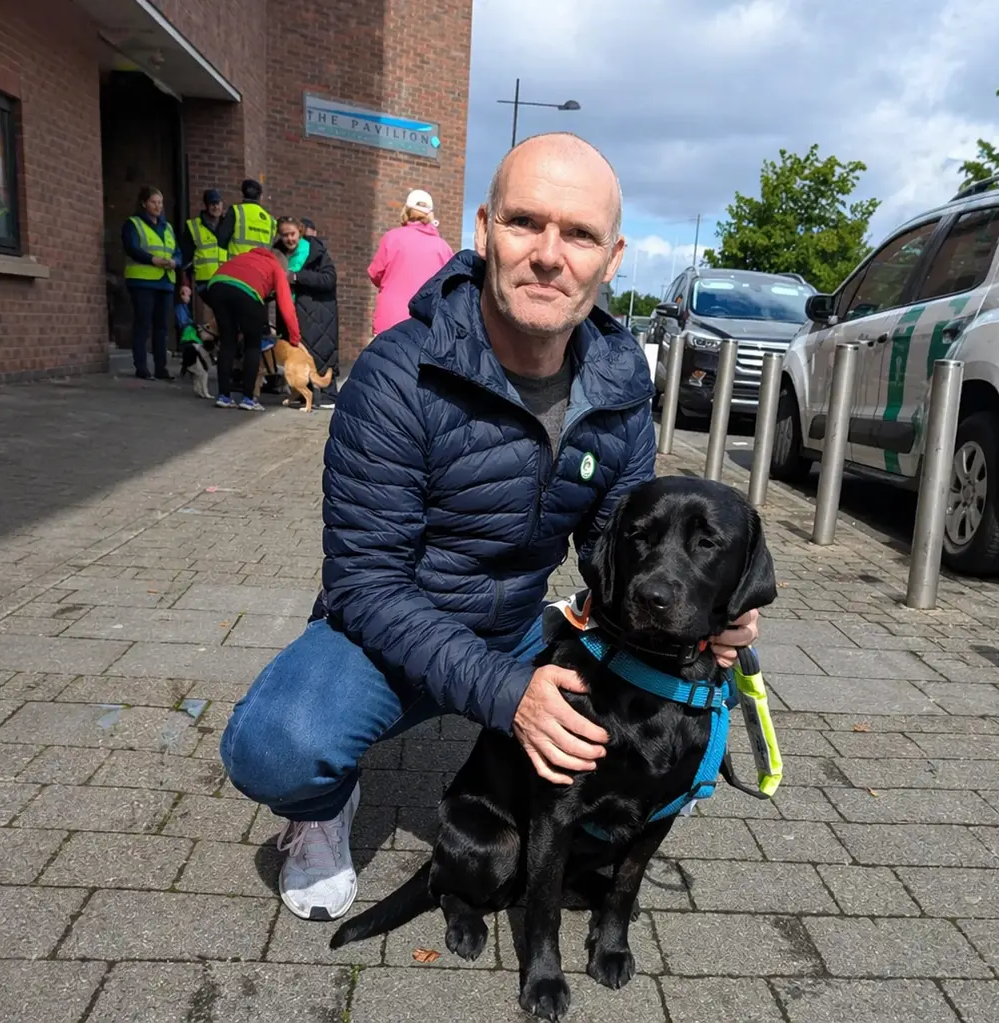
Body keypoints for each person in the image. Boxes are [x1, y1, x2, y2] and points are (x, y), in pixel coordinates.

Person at [220, 133, 762, 922]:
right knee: (276, 748)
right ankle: (322, 804)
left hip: (516, 625)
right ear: (482, 230)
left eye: (578, 235)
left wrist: (714, 615)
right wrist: (511, 695)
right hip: (385, 629)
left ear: (611, 260)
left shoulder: (617, 383)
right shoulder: (398, 375)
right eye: (524, 223)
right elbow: (364, 581)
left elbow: (621, 545)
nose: (549, 255)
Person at [205, 245, 302, 411]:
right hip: (247, 292)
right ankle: (248, 399)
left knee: (228, 342)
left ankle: (224, 397)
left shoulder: (244, 256)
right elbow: (287, 307)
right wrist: (294, 338)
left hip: (216, 286)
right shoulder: (276, 267)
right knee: (253, 345)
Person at [366, 188, 454, 337]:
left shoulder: (391, 238)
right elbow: (449, 288)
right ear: (431, 214)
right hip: (425, 325)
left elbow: (375, 273)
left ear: (406, 210)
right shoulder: (443, 248)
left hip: (389, 321)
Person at [275, 216, 340, 409]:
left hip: (317, 313)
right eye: (285, 235)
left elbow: (329, 278)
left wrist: (297, 277)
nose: (289, 239)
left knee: (319, 352)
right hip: (291, 313)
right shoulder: (277, 254)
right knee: (297, 354)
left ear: (300, 232)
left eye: (292, 234)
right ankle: (300, 393)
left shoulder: (316, 252)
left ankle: (328, 396)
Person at [121, 185, 178, 381]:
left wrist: (175, 261)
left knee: (162, 327)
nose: (158, 206)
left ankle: (161, 368)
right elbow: (132, 248)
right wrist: (152, 260)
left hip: (165, 281)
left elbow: (176, 250)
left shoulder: (167, 227)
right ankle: (142, 367)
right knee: (143, 324)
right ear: (144, 203)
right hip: (142, 281)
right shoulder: (133, 224)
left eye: (160, 203)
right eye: (154, 202)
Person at [229, 178, 275, 257]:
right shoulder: (271, 220)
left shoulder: (235, 211)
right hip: (261, 267)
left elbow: (222, 241)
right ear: (261, 196)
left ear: (242, 194)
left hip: (237, 265)